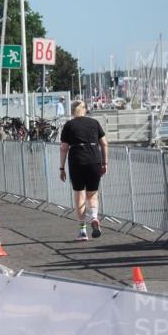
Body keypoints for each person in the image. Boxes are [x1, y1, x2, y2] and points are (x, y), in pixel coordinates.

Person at [59, 100, 109, 241]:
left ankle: (82, 231)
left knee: (79, 195)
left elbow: (63, 148)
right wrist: (105, 163)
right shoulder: (94, 123)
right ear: (85, 110)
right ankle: (94, 216)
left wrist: (61, 168)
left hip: (77, 160)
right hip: (94, 159)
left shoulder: (69, 125)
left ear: (72, 111)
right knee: (92, 194)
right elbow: (104, 143)